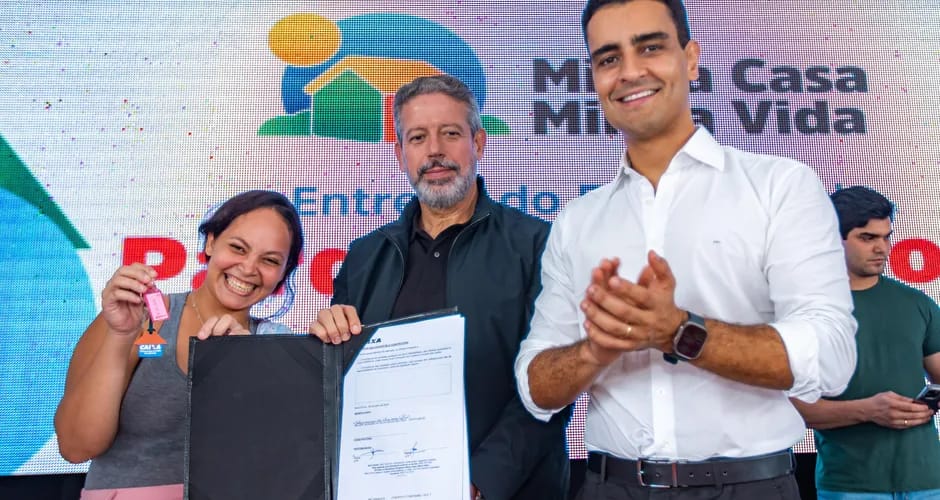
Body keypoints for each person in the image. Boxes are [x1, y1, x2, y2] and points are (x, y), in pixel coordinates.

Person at [514, 0, 858, 498]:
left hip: (749, 488)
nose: (629, 72)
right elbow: (535, 387)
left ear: (691, 59)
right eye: (608, 58)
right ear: (594, 78)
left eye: (650, 48)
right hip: (611, 488)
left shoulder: (780, 187)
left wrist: (679, 332)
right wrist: (596, 350)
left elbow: (832, 357)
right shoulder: (576, 221)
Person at [308, 74, 570, 500]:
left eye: (450, 133)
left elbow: (554, 384)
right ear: (400, 154)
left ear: (478, 143)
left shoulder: (539, 245)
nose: (434, 151)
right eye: (418, 138)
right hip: (383, 488)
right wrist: (327, 341)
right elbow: (337, 388)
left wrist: (481, 481)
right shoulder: (364, 257)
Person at [55, 190, 303, 499]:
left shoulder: (276, 346)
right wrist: (120, 336)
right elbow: (76, 447)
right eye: (238, 248)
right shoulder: (138, 315)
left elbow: (285, 465)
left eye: (270, 260)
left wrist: (250, 367)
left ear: (283, 273)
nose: (249, 268)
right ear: (210, 242)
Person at [791, 186, 940, 499]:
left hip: (928, 479)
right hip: (850, 485)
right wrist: (868, 411)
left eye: (886, 237)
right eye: (867, 237)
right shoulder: (804, 310)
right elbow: (794, 410)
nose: (882, 248)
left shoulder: (917, 303)